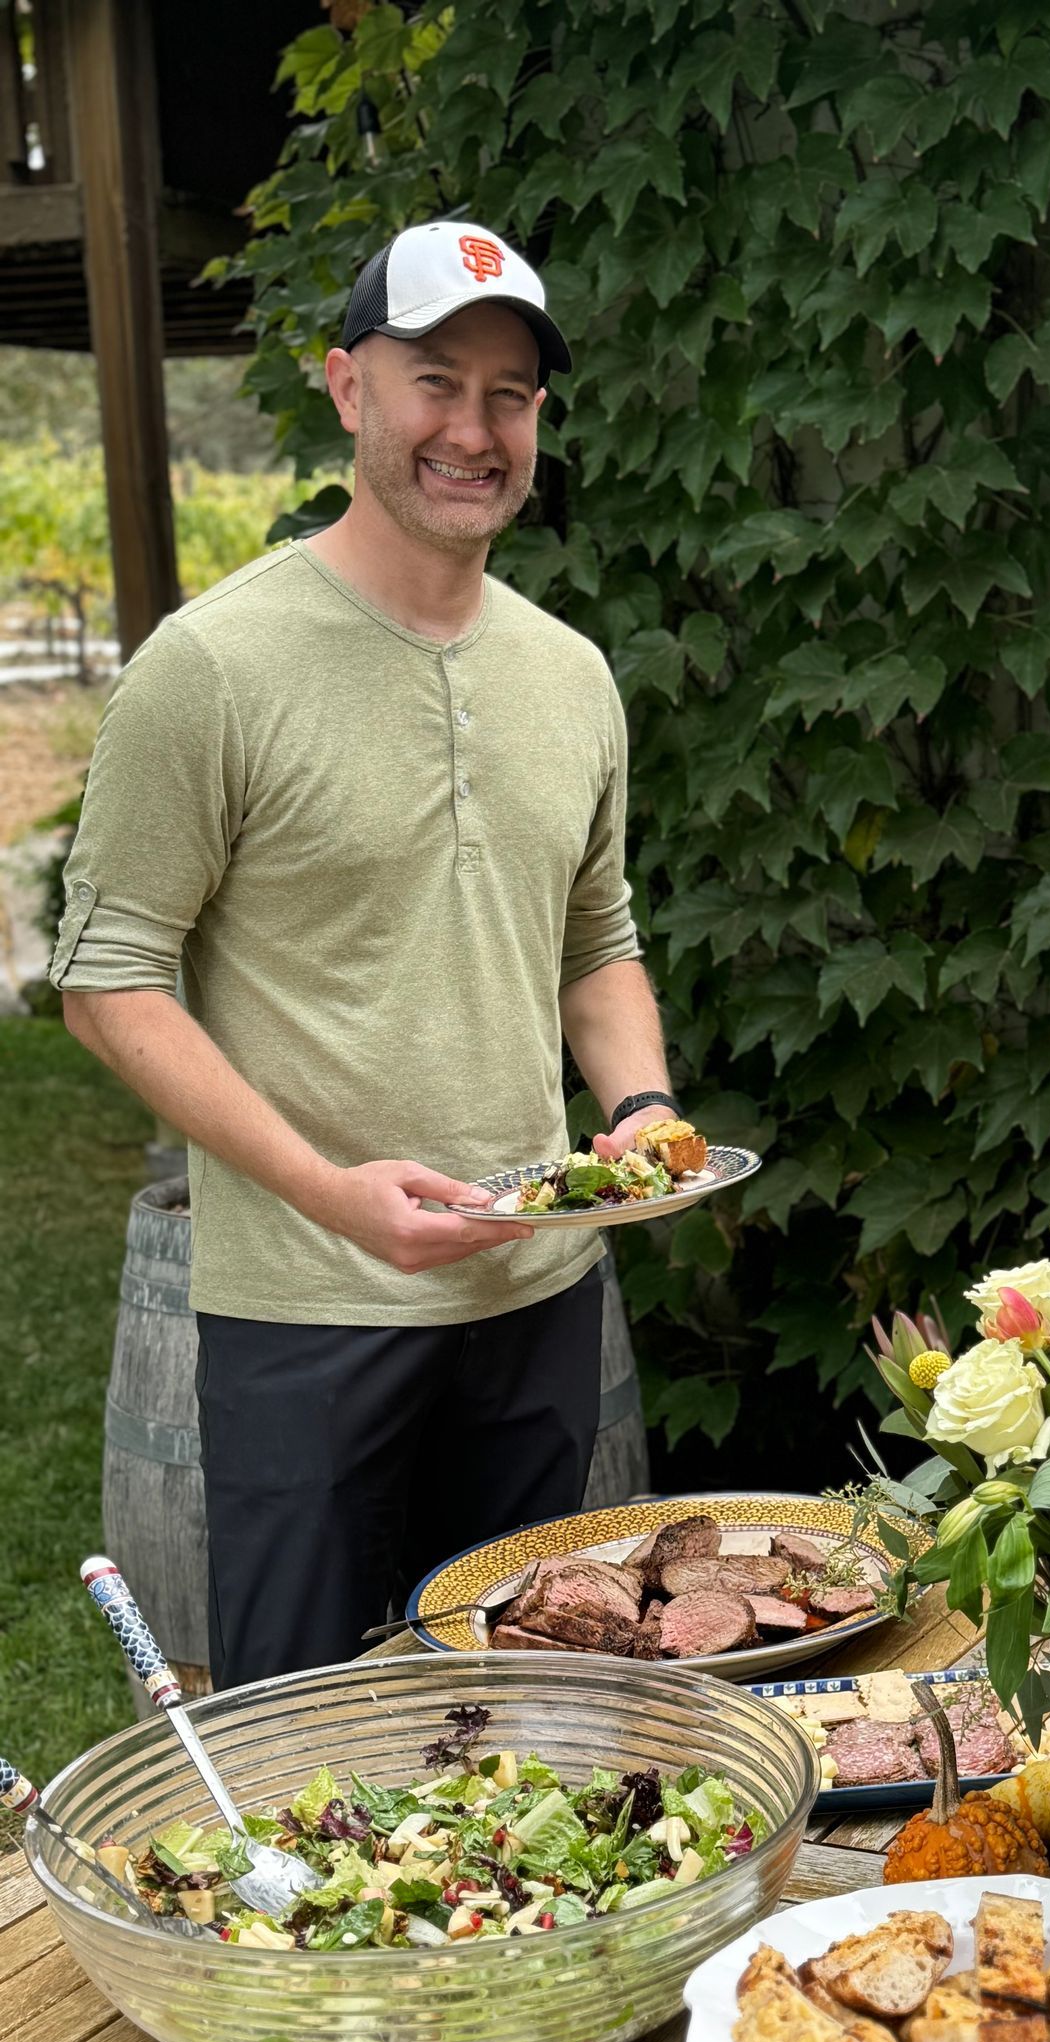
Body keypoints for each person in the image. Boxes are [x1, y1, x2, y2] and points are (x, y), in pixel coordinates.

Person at [53, 222, 683, 1685]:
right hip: (306, 1316)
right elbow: (110, 984)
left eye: (512, 394)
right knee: (315, 1748)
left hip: (537, 1298)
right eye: (435, 382)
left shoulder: (571, 675)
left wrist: (642, 1114)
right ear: (347, 387)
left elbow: (597, 942)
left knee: (536, 1730)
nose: (475, 430)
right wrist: (332, 1196)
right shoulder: (208, 667)